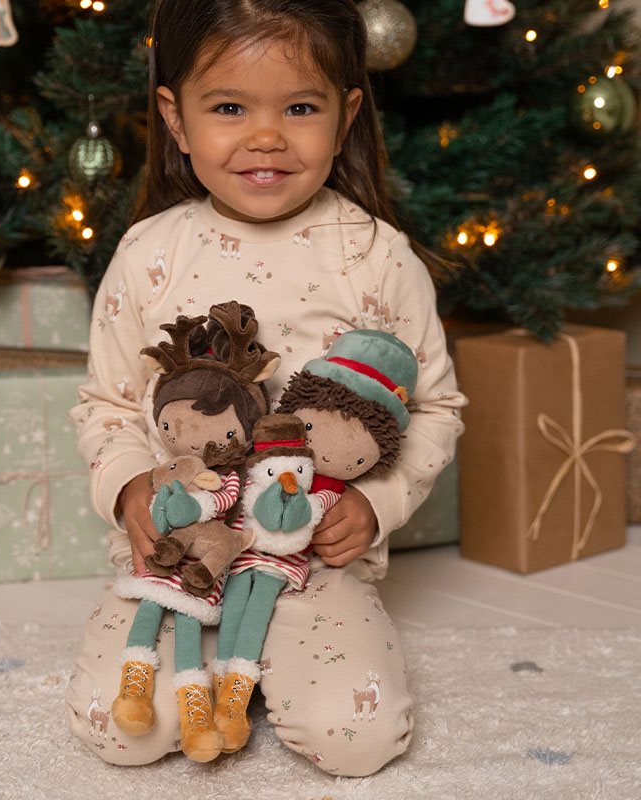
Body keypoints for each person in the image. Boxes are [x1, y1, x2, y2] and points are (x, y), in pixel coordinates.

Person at [66, 0, 466, 778]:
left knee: (361, 743)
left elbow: (435, 408)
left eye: (300, 107)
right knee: (115, 732)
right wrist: (129, 488)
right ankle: (215, 658)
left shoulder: (376, 259)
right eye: (228, 107)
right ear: (175, 119)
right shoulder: (150, 254)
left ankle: (260, 662)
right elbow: (108, 405)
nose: (266, 137)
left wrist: (374, 505)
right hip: (180, 557)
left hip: (311, 560)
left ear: (346, 114)